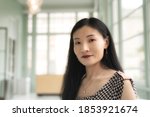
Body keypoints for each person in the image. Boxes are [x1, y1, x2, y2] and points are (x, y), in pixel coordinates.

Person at [61, 17, 137, 100]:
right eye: (78, 42)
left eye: (91, 40)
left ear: (106, 42)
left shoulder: (121, 83)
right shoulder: (74, 81)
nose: (84, 49)